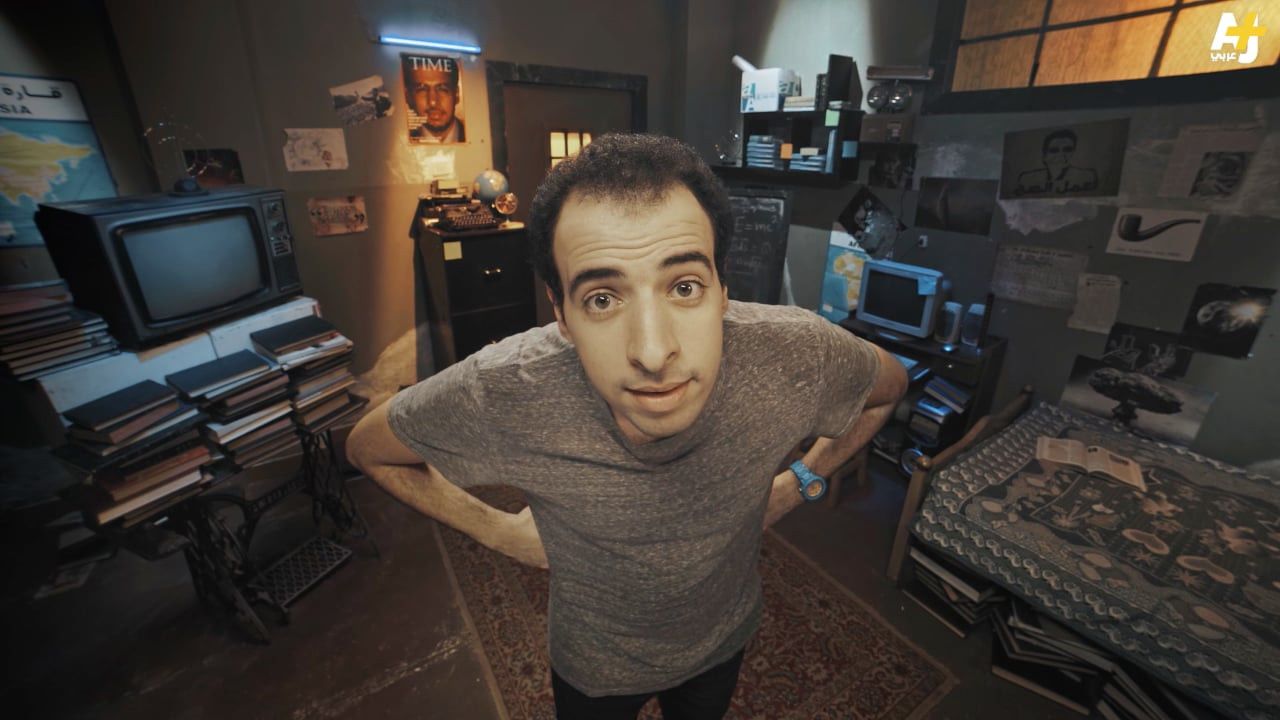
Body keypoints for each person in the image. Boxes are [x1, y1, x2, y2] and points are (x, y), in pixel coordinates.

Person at [347, 134, 905, 719]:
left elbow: (886, 391)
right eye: (602, 299)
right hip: (595, 669)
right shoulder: (508, 387)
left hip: (723, 642)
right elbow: (368, 448)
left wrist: (800, 482)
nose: (654, 352)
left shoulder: (795, 354)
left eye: (684, 287)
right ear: (561, 315)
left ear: (722, 290)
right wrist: (497, 531)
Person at [402, 54, 465, 143]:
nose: (433, 102)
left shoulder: (478, 135)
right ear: (408, 96)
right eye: (422, 90)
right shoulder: (397, 140)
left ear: (457, 94)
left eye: (442, 89)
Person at [1014, 128, 1098, 195]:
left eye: (1067, 150)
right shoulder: (1027, 179)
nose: (1061, 155)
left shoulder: (1087, 176)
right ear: (1044, 156)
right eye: (1054, 150)